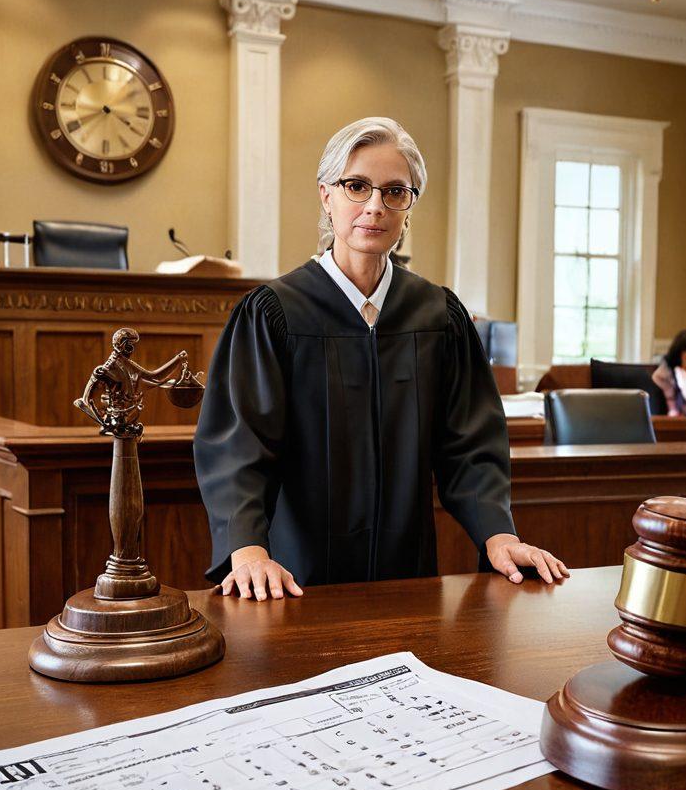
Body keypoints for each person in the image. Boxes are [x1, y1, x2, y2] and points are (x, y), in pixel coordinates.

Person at [194, 117, 568, 601]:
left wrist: (498, 534)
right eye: (357, 186)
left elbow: (471, 443)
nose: (375, 206)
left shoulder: (438, 315)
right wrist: (246, 550)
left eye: (395, 191)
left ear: (409, 207)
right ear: (326, 196)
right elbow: (237, 444)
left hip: (407, 577)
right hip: (291, 582)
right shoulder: (274, 313)